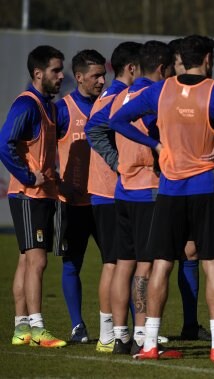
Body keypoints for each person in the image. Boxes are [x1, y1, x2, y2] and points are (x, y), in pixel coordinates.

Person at [110, 34, 214, 361]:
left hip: (168, 189)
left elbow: (117, 120)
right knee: (212, 266)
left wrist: (154, 145)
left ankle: (150, 343)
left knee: (162, 265)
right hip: (206, 189)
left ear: (180, 57)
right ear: (208, 58)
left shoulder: (160, 89)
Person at [104, 40, 174, 355]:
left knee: (123, 265)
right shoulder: (152, 97)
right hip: (147, 190)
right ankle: (143, 334)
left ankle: (120, 336)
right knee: (145, 268)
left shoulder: (121, 96)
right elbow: (157, 133)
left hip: (123, 189)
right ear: (162, 68)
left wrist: (114, 160)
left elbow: (96, 126)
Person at [0, 45, 67, 348]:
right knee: (37, 261)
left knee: (27, 261)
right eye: (55, 70)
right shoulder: (27, 104)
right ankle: (38, 329)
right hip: (29, 194)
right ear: (38, 73)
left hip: (40, 194)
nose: (60, 75)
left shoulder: (49, 106)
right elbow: (4, 144)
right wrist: (28, 177)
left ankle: (21, 328)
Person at [84, 41, 141, 353]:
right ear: (132, 68)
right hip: (110, 191)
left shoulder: (114, 93)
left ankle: (115, 333)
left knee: (116, 262)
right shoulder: (118, 94)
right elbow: (95, 129)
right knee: (115, 263)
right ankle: (109, 334)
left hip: (109, 190)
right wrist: (118, 161)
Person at [54, 49, 106, 344]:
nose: (102, 80)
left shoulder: (108, 106)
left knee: (118, 262)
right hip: (72, 204)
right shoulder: (63, 110)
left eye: (104, 74)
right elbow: (44, 153)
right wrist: (60, 185)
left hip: (103, 200)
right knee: (72, 264)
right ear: (80, 77)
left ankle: (132, 328)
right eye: (96, 75)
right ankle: (77, 326)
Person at [166, 37, 211, 342]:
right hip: (159, 187)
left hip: (190, 184)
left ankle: (190, 324)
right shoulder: (161, 93)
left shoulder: (201, 92)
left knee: (191, 251)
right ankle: (138, 331)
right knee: (152, 260)